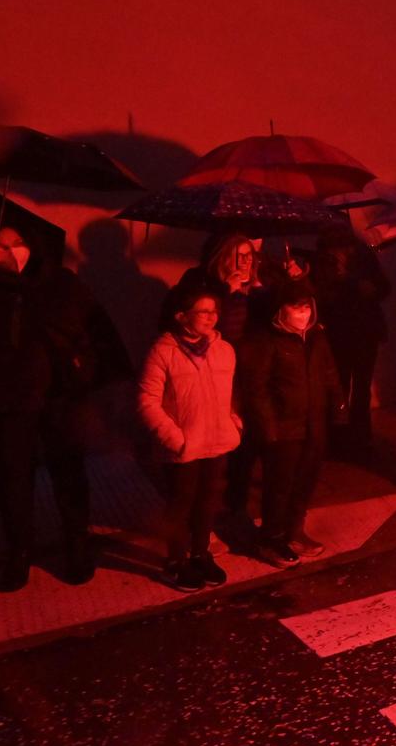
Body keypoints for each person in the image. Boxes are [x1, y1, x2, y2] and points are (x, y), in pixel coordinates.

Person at [0, 226, 117, 591]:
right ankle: (18, 551)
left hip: (58, 394)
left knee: (68, 472)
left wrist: (83, 370)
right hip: (8, 399)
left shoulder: (58, 281)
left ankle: (76, 544)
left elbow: (82, 326)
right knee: (13, 480)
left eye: (8, 242)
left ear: (25, 247)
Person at [137, 286, 240, 591]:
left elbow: (229, 394)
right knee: (181, 504)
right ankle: (175, 561)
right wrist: (175, 438)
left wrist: (233, 421)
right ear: (182, 316)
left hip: (217, 441)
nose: (211, 317)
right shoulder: (163, 351)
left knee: (208, 503)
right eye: (203, 312)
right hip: (184, 445)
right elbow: (147, 400)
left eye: (214, 311)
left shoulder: (224, 349)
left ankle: (200, 554)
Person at [237, 279, 339, 563]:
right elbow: (257, 388)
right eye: (296, 308)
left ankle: (294, 531)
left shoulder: (316, 338)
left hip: (313, 425)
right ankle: (271, 538)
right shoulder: (269, 341)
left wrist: (338, 405)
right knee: (279, 486)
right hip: (284, 429)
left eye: (307, 307)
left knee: (305, 481)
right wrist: (269, 428)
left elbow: (329, 373)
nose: (303, 314)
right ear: (281, 311)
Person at [174, 233, 262, 520]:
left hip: (245, 377)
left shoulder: (256, 288)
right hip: (213, 379)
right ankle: (202, 519)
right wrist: (227, 293)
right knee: (212, 450)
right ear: (224, 258)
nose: (247, 261)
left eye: (251, 255)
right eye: (240, 255)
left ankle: (235, 508)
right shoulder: (201, 284)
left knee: (244, 445)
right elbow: (208, 331)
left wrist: (290, 282)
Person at [311, 230, 390, 463]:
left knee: (362, 388)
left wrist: (372, 288)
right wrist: (349, 286)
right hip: (339, 332)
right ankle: (339, 441)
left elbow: (384, 286)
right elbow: (321, 296)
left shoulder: (363, 255)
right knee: (340, 387)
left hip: (365, 331)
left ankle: (360, 440)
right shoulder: (323, 258)